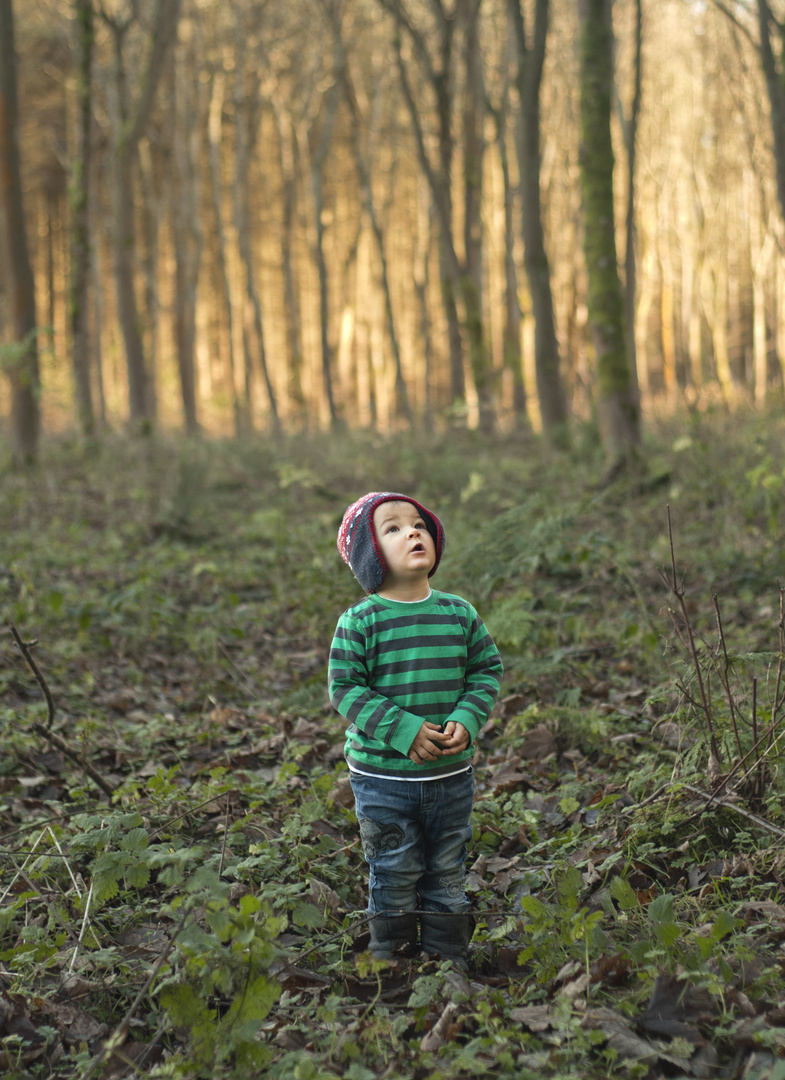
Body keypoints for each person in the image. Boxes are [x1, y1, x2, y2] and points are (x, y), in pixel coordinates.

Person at [328, 491, 503, 966]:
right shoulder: (360, 622)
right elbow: (345, 687)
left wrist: (467, 717)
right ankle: (392, 953)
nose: (412, 531)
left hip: (450, 777)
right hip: (383, 778)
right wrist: (403, 730)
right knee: (393, 866)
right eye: (393, 528)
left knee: (446, 867)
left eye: (419, 524)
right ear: (371, 556)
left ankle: (447, 954)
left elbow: (486, 670)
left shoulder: (458, 613)